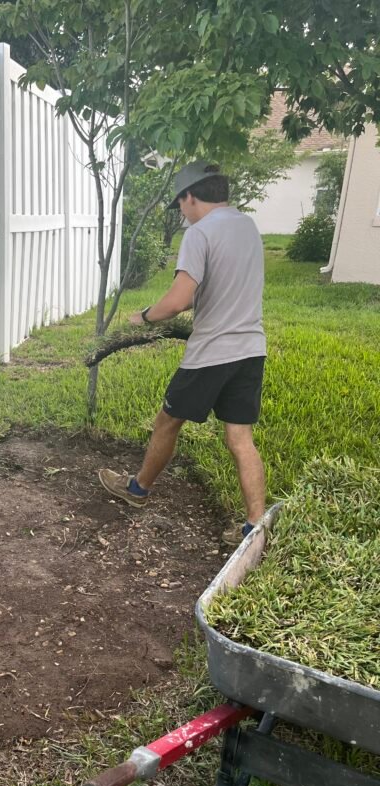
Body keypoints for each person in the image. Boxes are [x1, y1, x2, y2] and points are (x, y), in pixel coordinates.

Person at [98, 160, 267, 542]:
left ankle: (137, 490)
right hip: (252, 348)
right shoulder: (248, 226)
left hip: (212, 351)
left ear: (190, 197)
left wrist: (143, 317)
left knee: (167, 421)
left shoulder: (200, 233)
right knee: (240, 438)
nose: (183, 214)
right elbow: (212, 291)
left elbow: (177, 301)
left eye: (181, 205)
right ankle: (254, 528)